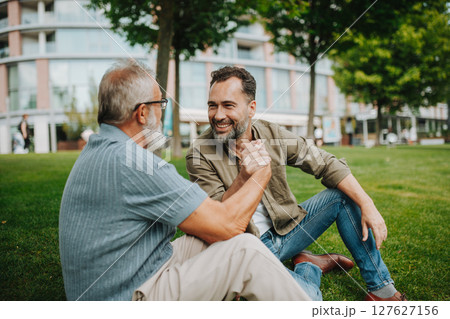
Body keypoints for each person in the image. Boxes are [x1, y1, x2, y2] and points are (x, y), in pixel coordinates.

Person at [59, 59, 310, 301]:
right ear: (143, 113)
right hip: (128, 296)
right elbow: (228, 226)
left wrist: (244, 176)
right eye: (161, 104)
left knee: (203, 237)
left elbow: (214, 224)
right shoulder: (135, 162)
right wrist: (262, 174)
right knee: (245, 249)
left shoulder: (99, 148)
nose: (162, 112)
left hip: (126, 275)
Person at [186, 66, 407, 301]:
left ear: (251, 108)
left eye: (228, 105)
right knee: (310, 300)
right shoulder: (199, 154)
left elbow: (325, 163)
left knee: (343, 196)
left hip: (287, 230)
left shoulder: (271, 133)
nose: (218, 115)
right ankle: (309, 266)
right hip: (248, 249)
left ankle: (382, 290)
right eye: (212, 105)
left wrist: (367, 203)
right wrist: (244, 176)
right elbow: (220, 221)